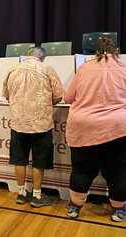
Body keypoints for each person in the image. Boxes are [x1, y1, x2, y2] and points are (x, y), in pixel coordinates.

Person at [65, 38, 126, 222]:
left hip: (83, 128)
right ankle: (119, 210)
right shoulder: (124, 68)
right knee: (118, 171)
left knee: (81, 170)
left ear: (95, 52)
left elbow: (68, 98)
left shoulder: (84, 68)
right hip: (117, 128)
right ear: (117, 51)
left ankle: (75, 207)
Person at [2, 47, 64, 207]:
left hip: (18, 123)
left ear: (27, 55)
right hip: (41, 125)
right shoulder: (47, 69)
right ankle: (37, 195)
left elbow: (6, 95)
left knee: (19, 160)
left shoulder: (12, 69)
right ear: (42, 58)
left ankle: (21, 193)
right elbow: (58, 95)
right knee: (39, 161)